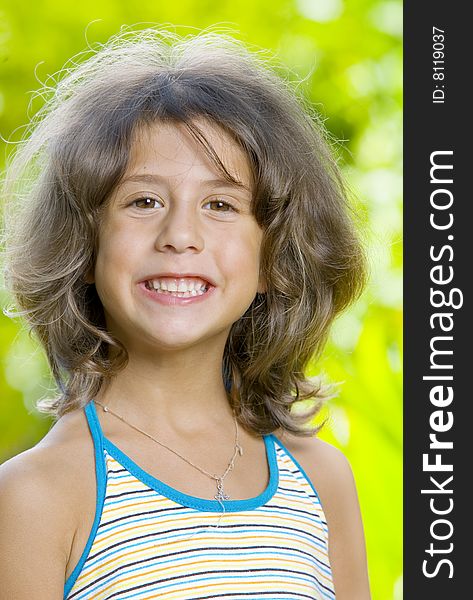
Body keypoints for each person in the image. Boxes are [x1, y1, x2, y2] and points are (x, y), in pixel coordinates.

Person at [0, 28, 371, 599]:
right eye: (143, 201)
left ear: (275, 257)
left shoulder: (321, 481)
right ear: (84, 249)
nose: (179, 235)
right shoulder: (36, 494)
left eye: (220, 204)